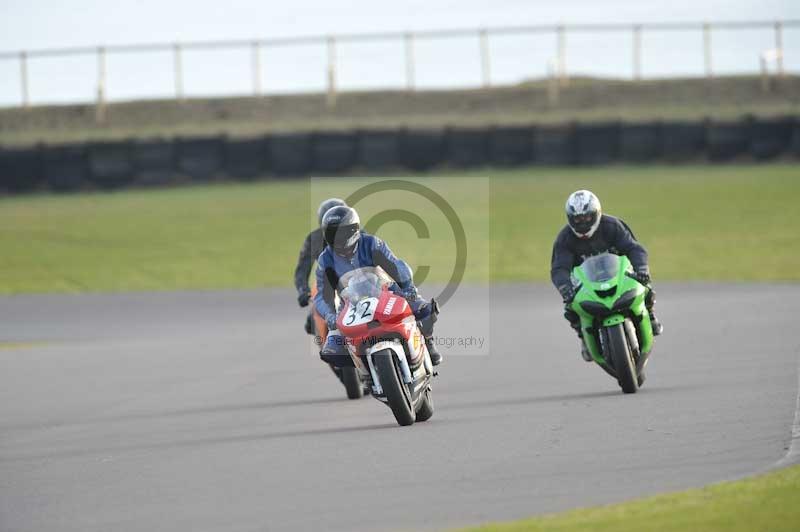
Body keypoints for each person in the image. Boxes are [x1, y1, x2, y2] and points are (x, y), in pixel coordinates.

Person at [314, 205, 442, 368]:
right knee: (332, 349)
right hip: (349, 304)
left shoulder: (371, 243)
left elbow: (396, 266)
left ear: (354, 230)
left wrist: (408, 288)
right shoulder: (325, 259)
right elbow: (321, 295)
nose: (337, 238)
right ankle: (362, 370)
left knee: (424, 310)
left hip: (385, 291)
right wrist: (330, 316)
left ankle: (428, 343)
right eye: (332, 233)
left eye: (341, 232)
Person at [550, 190, 663, 361]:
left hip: (619, 273)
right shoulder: (564, 239)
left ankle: (650, 313)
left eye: (588, 217)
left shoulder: (612, 226)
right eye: (578, 219)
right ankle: (583, 336)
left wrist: (642, 269)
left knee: (646, 287)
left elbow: (634, 248)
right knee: (570, 307)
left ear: (597, 213)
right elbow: (559, 268)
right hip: (586, 282)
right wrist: (565, 287)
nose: (583, 222)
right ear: (570, 218)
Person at [294, 198, 347, 334]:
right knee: (311, 323)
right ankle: (326, 343)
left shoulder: (359, 234)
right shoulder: (314, 239)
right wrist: (303, 290)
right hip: (325, 279)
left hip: (354, 277)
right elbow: (303, 268)